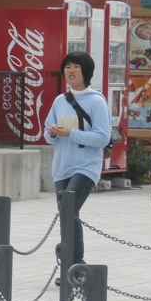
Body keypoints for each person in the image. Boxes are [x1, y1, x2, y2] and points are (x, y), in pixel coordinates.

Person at [44, 51, 111, 275]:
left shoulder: (96, 101)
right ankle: (70, 261)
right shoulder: (59, 101)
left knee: (69, 209)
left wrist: (71, 133)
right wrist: (53, 133)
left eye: (76, 67)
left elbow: (102, 137)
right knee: (67, 214)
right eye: (68, 66)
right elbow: (46, 133)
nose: (70, 71)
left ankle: (74, 263)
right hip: (62, 167)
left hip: (85, 167)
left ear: (86, 71)